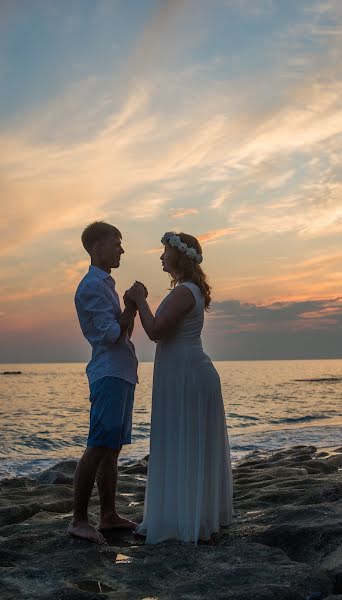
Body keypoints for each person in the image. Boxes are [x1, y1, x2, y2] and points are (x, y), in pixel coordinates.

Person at [127, 232, 233, 544]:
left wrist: (139, 300)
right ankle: (189, 513)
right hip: (184, 372)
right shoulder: (188, 291)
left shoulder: (185, 292)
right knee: (183, 443)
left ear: (179, 256)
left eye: (164, 252)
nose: (160, 257)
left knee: (181, 442)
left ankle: (182, 519)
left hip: (186, 375)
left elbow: (156, 331)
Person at [68, 221, 143, 544]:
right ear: (97, 246)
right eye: (116, 243)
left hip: (122, 372)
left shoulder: (105, 285)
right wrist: (132, 305)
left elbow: (121, 332)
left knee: (112, 449)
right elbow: (112, 335)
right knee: (98, 446)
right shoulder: (92, 287)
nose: (122, 249)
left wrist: (130, 309)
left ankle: (108, 515)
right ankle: (79, 520)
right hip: (109, 373)